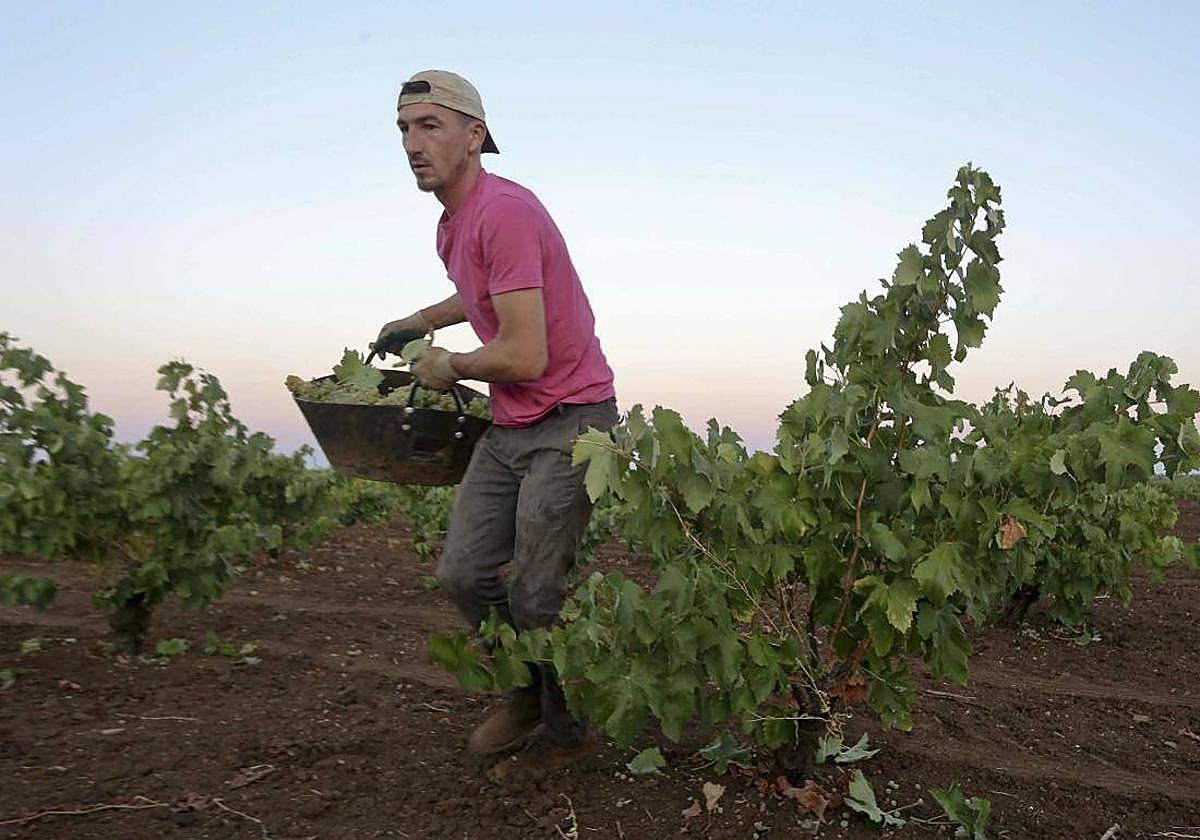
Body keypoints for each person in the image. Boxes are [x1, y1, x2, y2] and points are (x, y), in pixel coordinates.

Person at [376, 70, 618, 758]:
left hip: (572, 423)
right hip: (512, 423)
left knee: (538, 596)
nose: (412, 143)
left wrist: (445, 363)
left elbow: (525, 353)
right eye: (403, 129)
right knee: (462, 574)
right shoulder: (454, 224)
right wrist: (418, 319)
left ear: (474, 135)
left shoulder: (507, 209)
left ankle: (567, 737)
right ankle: (524, 693)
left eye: (430, 126)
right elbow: (478, 286)